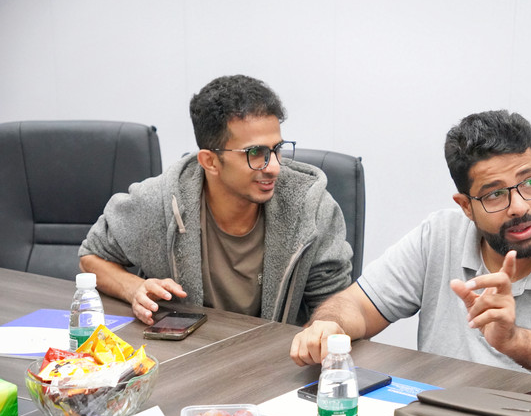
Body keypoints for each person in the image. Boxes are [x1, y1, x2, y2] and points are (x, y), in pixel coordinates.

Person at [290, 110, 531, 395]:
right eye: (494, 194)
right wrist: (328, 324)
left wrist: (518, 342)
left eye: (530, 182)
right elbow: (357, 305)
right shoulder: (439, 234)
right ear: (465, 206)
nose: (519, 206)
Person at [79, 74, 352, 326]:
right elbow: (91, 256)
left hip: (273, 357)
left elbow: (337, 306)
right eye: (255, 153)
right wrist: (134, 288)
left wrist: (323, 330)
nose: (273, 167)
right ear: (209, 161)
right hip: (189, 355)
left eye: (277, 149)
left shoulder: (310, 208)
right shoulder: (159, 201)